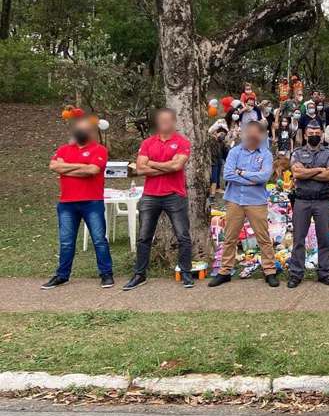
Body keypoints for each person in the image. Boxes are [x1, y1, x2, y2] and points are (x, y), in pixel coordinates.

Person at [124, 108, 193, 291]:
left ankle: (185, 271)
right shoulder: (148, 142)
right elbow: (139, 168)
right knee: (144, 236)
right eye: (161, 120)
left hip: (174, 195)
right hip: (150, 196)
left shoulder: (182, 142)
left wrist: (151, 164)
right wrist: (166, 166)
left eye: (168, 119)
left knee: (183, 236)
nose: (164, 123)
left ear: (174, 121)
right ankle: (140, 274)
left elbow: (177, 166)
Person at [42, 117, 113, 290]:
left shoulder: (99, 150)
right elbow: (53, 166)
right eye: (78, 128)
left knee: (98, 240)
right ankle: (62, 275)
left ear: (91, 131)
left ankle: (106, 274)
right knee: (66, 241)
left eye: (85, 128)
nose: (81, 131)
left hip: (92, 202)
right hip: (67, 203)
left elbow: (93, 170)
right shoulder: (64, 149)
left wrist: (66, 167)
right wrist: (80, 167)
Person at [209, 121, 277, 288]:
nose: (252, 137)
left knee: (263, 238)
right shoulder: (234, 152)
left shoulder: (266, 154)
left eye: (256, 134)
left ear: (261, 136)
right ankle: (225, 271)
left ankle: (269, 270)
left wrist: (242, 173)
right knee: (230, 237)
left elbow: (264, 177)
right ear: (243, 134)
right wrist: (251, 179)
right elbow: (228, 175)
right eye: (249, 133)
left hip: (256, 202)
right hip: (235, 200)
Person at [288, 122, 329, 287]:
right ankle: (296, 274)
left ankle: (324, 273)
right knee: (299, 239)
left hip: (322, 201)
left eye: (317, 131)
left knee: (324, 238)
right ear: (306, 134)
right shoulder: (297, 153)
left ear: (322, 133)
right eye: (311, 131)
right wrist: (319, 170)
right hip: (302, 200)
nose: (314, 134)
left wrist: (307, 172)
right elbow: (296, 173)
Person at [208, 125, 228, 197]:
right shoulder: (211, 140)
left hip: (218, 161)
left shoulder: (222, 143)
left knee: (217, 176)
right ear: (216, 132)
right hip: (212, 162)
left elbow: (225, 152)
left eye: (224, 135)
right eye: (221, 134)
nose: (222, 136)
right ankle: (212, 193)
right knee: (213, 178)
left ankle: (216, 189)